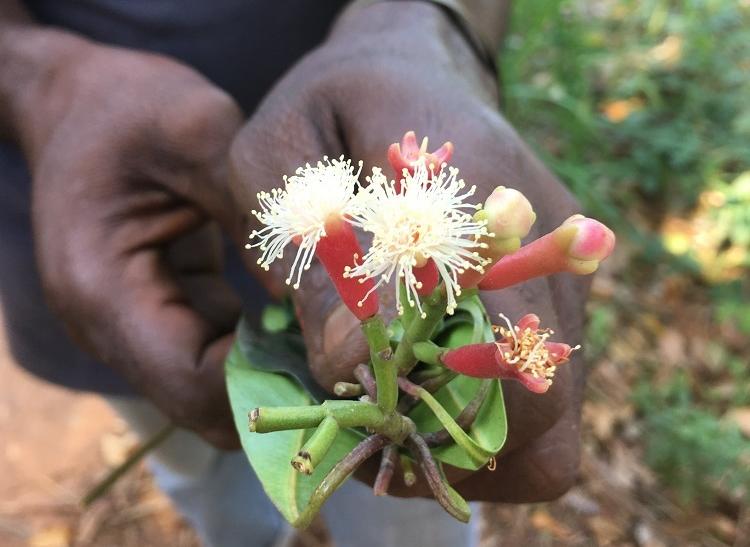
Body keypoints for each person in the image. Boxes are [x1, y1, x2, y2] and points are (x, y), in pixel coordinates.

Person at [0, 1, 589, 545]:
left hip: (368, 134)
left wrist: (428, 15)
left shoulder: (417, 267)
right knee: (201, 471)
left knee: (407, 509)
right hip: (95, 227)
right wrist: (33, 74)